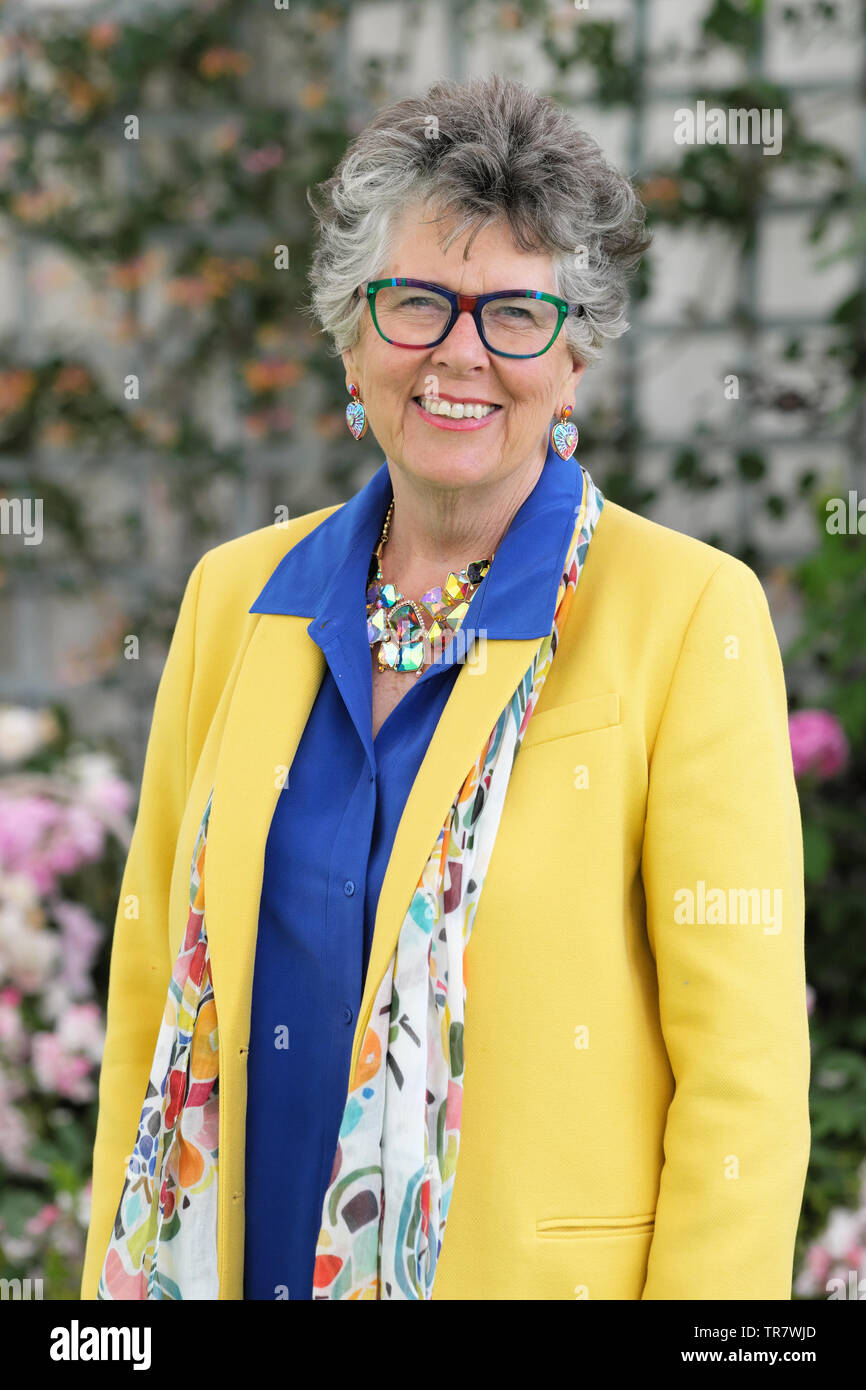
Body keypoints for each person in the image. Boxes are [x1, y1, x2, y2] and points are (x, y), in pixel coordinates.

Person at [82, 73, 810, 1302]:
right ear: (353, 338)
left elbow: (741, 1077)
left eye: (515, 314)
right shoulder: (235, 598)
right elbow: (150, 995)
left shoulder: (687, 614)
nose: (459, 354)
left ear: (570, 361)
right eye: (416, 303)